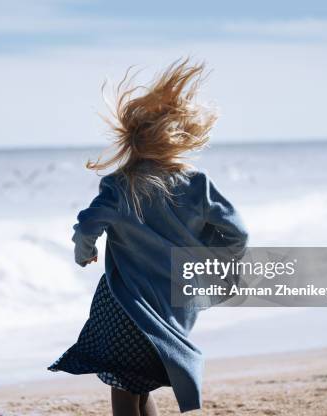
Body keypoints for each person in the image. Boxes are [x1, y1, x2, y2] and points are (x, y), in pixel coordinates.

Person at [48, 58, 248, 415]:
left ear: (131, 142)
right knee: (138, 381)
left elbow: (86, 225)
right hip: (174, 303)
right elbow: (238, 233)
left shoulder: (118, 186)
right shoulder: (197, 184)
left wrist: (84, 253)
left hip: (125, 303)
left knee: (125, 385)